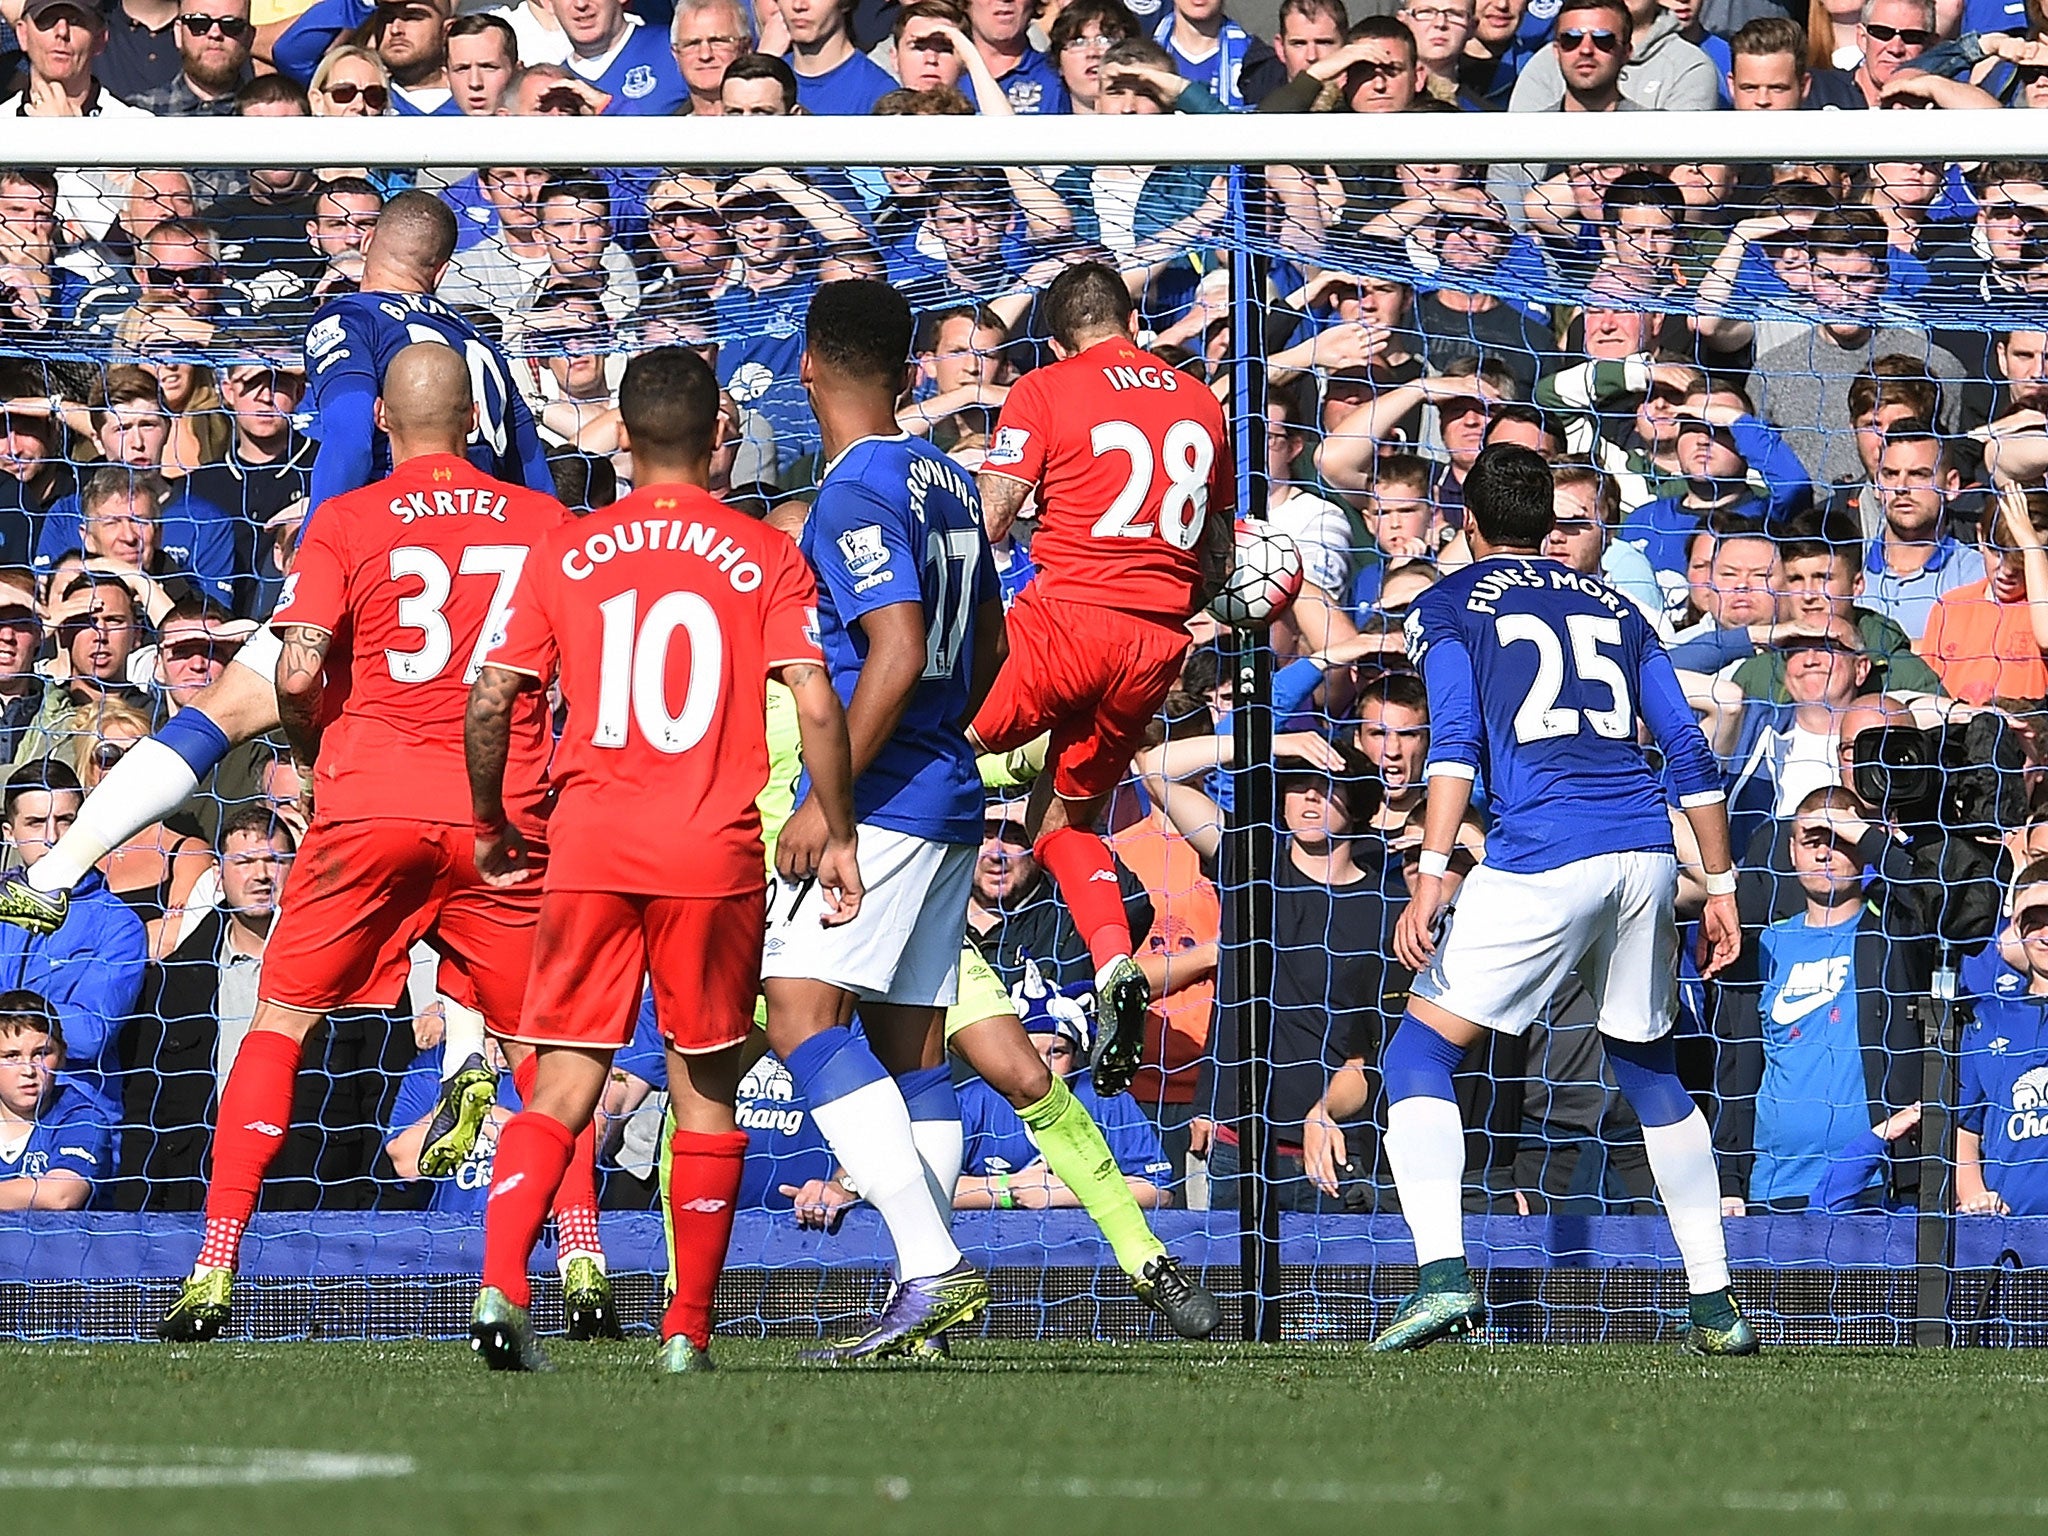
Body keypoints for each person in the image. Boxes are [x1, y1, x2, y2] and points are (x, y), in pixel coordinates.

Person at [151, 345, 603, 1343]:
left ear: (385, 426)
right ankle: (580, 1260)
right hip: (502, 813)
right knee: (544, 1049)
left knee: (279, 1022)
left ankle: (214, 1267)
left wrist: (313, 756)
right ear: (479, 425)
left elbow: (301, 668)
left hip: (372, 808)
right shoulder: (544, 522)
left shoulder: (347, 520)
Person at [0, 194, 555, 938]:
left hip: (380, 562)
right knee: (456, 794)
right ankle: (463, 1050)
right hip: (480, 583)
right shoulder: (474, 344)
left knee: (221, 716)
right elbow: (537, 480)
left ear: (370, 252)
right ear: (445, 269)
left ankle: (52, 873)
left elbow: (354, 434)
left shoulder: (348, 318)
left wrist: (322, 549)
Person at [464, 345, 859, 1374]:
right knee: (704, 1088)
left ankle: (504, 1284)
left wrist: (490, 823)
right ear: (714, 437)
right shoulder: (766, 553)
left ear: (625, 439)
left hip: (591, 843)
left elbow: (490, 698)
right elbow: (815, 698)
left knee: (562, 1080)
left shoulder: (564, 549)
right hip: (709, 853)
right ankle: (686, 1326)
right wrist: (837, 826)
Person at [1381, 444, 1749, 1354]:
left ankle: (1440, 1279)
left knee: (1418, 1054)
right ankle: (1716, 1302)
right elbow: (1690, 752)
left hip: (1544, 849)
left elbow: (1457, 744)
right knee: (1651, 1069)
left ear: (1466, 525)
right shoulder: (1619, 607)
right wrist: (1724, 884)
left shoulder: (1446, 605)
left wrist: (1431, 874)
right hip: (1645, 853)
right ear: (1550, 526)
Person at [751, 280, 1007, 1363]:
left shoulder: (855, 488)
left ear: (808, 365)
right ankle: (925, 1301)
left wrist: (827, 796)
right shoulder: (948, 477)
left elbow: (896, 649)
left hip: (888, 795)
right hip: (948, 785)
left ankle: (932, 1267)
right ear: (911, 372)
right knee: (911, 1047)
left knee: (798, 1018)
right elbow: (988, 646)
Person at [973, 261, 1233, 1100]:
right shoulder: (1200, 401)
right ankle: (1114, 955)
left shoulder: (1045, 388)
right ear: (1131, 319)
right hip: (1156, 646)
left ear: (1055, 337)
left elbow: (992, 518)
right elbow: (1219, 551)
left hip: (1065, 625)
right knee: (1059, 819)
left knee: (936, 738)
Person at [1713, 787, 1923, 1212]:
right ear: (1792, 851)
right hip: (1773, 1187)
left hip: (1874, 1185)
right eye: (1813, 841)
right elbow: (1736, 1077)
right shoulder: (1761, 949)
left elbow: (1934, 897)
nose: (1825, 854)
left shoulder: (1894, 936)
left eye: (1839, 841)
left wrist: (1864, 833)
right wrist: (1729, 1180)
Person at [0, 760, 147, 1124]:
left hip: (74, 1115)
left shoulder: (119, 924)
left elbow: (91, 1035)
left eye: (66, 821)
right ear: (8, 832)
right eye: (35, 823)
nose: (52, 836)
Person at [953, 980, 1173, 1210]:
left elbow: (1159, 1191)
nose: (1042, 1066)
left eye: (1056, 1052)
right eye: (1027, 1051)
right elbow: (933, 1186)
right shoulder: (972, 1101)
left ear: (1076, 1056)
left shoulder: (1107, 1100)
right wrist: (1010, 1189)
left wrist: (1062, 1192)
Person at [1957, 862, 2048, 1218]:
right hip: (2010, 1235)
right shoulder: (1988, 1018)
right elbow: (1965, 1126)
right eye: (2033, 920)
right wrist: (1975, 1196)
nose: (2044, 933)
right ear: (2015, 927)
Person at [0, 989, 111, 1210]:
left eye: (41, 1053)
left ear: (62, 1056)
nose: (28, 1070)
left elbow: (61, 1196)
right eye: (12, 1056)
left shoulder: (81, 1117)